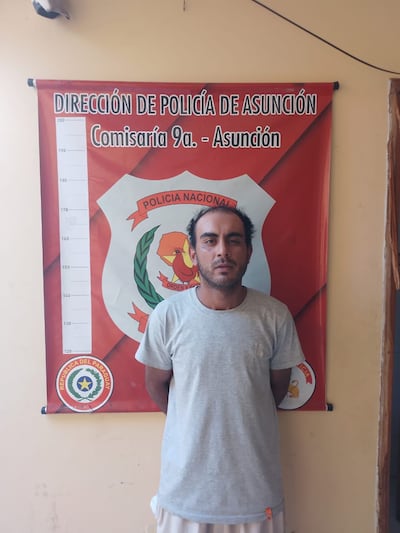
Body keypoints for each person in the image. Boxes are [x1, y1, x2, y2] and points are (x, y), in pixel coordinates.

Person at [135, 206, 305, 533]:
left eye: (233, 240)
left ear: (249, 251)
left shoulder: (275, 316)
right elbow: (156, 385)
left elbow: (276, 391)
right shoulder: (167, 316)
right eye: (210, 240)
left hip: (255, 494)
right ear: (193, 252)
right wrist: (191, 421)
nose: (222, 251)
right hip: (185, 494)